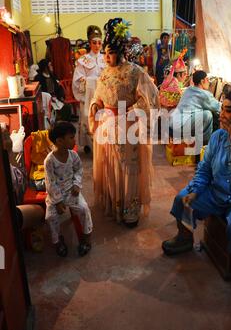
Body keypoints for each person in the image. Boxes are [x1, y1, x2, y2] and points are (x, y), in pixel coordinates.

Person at [162, 89, 231, 297]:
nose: (221, 114)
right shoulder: (217, 136)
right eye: (222, 108)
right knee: (182, 199)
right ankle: (185, 237)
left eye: (229, 110)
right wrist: (196, 189)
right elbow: (205, 169)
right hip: (219, 191)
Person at [89, 17, 160, 228]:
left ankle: (130, 211)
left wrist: (131, 111)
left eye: (110, 53)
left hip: (128, 126)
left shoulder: (136, 72)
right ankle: (114, 204)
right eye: (104, 52)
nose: (106, 57)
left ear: (120, 52)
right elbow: (98, 97)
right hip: (107, 126)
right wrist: (94, 106)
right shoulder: (104, 73)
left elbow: (150, 97)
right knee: (110, 166)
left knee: (128, 168)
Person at [44, 121, 93, 257]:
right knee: (50, 216)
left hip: (71, 191)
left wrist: (77, 184)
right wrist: (58, 201)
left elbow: (79, 170)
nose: (74, 140)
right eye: (71, 137)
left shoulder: (73, 155)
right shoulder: (49, 161)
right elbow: (50, 182)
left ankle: (86, 240)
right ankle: (58, 241)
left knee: (84, 209)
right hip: (56, 195)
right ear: (59, 141)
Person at [72, 26, 105, 151]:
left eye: (99, 43)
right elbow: (77, 78)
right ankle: (88, 144)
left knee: (102, 118)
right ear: (90, 43)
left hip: (102, 95)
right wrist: (90, 82)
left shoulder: (105, 59)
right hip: (88, 95)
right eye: (94, 43)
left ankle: (102, 144)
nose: (97, 45)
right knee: (87, 119)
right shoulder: (83, 60)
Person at [169, 70, 220, 144]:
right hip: (179, 128)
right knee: (208, 114)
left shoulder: (188, 89)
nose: (209, 82)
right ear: (202, 81)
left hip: (172, 125)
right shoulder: (203, 94)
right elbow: (218, 107)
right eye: (207, 79)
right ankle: (205, 143)